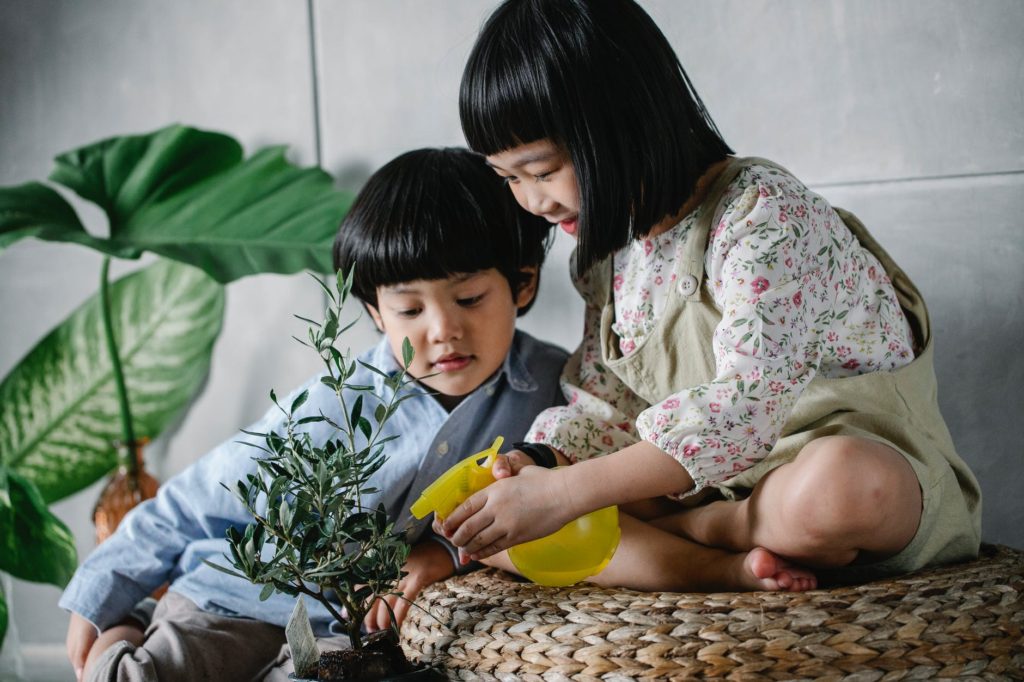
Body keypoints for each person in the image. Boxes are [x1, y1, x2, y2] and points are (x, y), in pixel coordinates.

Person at [438, 0, 981, 594]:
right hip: (709, 481)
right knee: (501, 522)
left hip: (836, 475)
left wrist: (570, 494)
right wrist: (542, 466)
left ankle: (705, 531)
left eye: (541, 170)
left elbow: (747, 405)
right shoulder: (609, 255)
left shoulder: (762, 214)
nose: (532, 200)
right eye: (509, 178)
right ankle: (717, 552)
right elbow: (606, 404)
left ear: (623, 124)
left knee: (843, 488)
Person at [60, 147, 568, 682]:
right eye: (410, 310)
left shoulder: (553, 390)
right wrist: (101, 594)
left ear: (523, 283)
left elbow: (545, 501)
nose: (442, 330)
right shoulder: (336, 400)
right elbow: (201, 494)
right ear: (376, 312)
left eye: (468, 298)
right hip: (232, 599)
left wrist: (444, 553)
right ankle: (130, 631)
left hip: (343, 631)